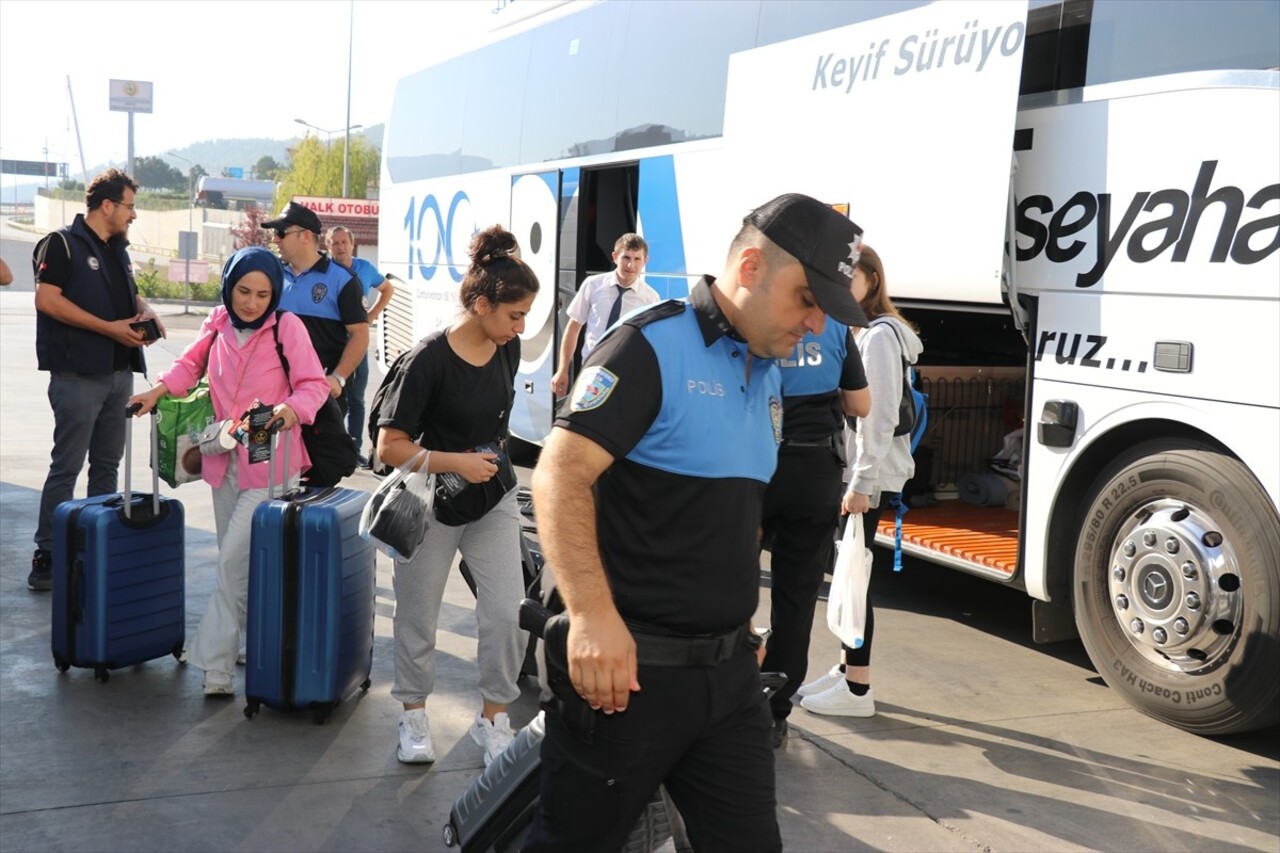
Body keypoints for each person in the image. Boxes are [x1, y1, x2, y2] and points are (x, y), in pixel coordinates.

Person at [526, 194, 867, 852]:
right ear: (749, 266)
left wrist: (738, 620)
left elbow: (726, 517)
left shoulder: (767, 371)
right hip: (625, 680)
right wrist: (592, 616)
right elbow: (559, 475)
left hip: (729, 683)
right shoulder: (649, 346)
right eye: (806, 297)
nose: (817, 322)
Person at [127, 247, 330, 696]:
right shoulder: (217, 321)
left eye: (262, 294)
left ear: (275, 293)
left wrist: (289, 411)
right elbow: (189, 366)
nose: (252, 303)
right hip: (223, 460)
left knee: (230, 563)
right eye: (243, 291)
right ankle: (239, 644)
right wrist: (156, 393)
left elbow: (314, 385)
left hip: (273, 464)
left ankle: (214, 664)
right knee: (236, 562)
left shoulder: (287, 327)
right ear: (229, 286)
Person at [373, 225, 538, 767]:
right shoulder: (428, 359)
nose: (521, 328)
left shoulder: (504, 350)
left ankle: (493, 720)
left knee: (508, 612)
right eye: (515, 316)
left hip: (493, 498)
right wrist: (455, 463)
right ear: (482, 304)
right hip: (429, 504)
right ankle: (414, 714)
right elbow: (388, 447)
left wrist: (481, 467)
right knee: (418, 615)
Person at [799, 245, 923, 718]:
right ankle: (847, 668)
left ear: (872, 280)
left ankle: (858, 689)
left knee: (855, 579)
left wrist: (861, 483)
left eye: (849, 278)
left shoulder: (877, 337)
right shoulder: (863, 332)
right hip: (864, 472)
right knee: (851, 574)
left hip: (869, 475)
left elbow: (880, 415)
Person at [29, 169, 164, 592]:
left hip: (119, 374)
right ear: (107, 205)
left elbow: (126, 294)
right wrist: (108, 328)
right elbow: (46, 299)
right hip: (77, 376)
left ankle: (93, 544)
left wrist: (146, 310)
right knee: (66, 466)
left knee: (107, 468)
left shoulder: (117, 249)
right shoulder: (63, 244)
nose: (134, 215)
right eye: (129, 206)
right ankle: (48, 553)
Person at [760, 317, 870, 748]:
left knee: (730, 586)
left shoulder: (764, 319)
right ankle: (775, 712)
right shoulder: (837, 329)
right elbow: (861, 405)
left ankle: (726, 701)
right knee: (795, 599)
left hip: (757, 464)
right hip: (816, 473)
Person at [264, 202, 368, 415]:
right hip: (269, 395)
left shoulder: (343, 280)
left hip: (319, 399)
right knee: (261, 449)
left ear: (305, 236)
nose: (275, 239)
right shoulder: (271, 276)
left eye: (281, 233)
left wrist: (338, 377)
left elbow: (360, 335)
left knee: (321, 450)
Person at [549, 233, 658, 398]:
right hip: (590, 371)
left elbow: (649, 343)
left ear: (645, 261)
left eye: (637, 259)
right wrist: (563, 370)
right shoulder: (593, 285)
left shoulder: (650, 298)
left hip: (626, 375)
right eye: (626, 257)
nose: (631, 265)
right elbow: (573, 329)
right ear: (615, 257)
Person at [326, 225, 394, 465]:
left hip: (358, 344)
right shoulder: (325, 270)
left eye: (344, 242)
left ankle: (354, 451)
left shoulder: (364, 268)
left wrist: (371, 316)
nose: (340, 247)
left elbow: (387, 289)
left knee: (356, 399)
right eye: (335, 243)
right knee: (332, 399)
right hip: (331, 345)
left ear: (352, 244)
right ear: (328, 247)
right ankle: (333, 448)